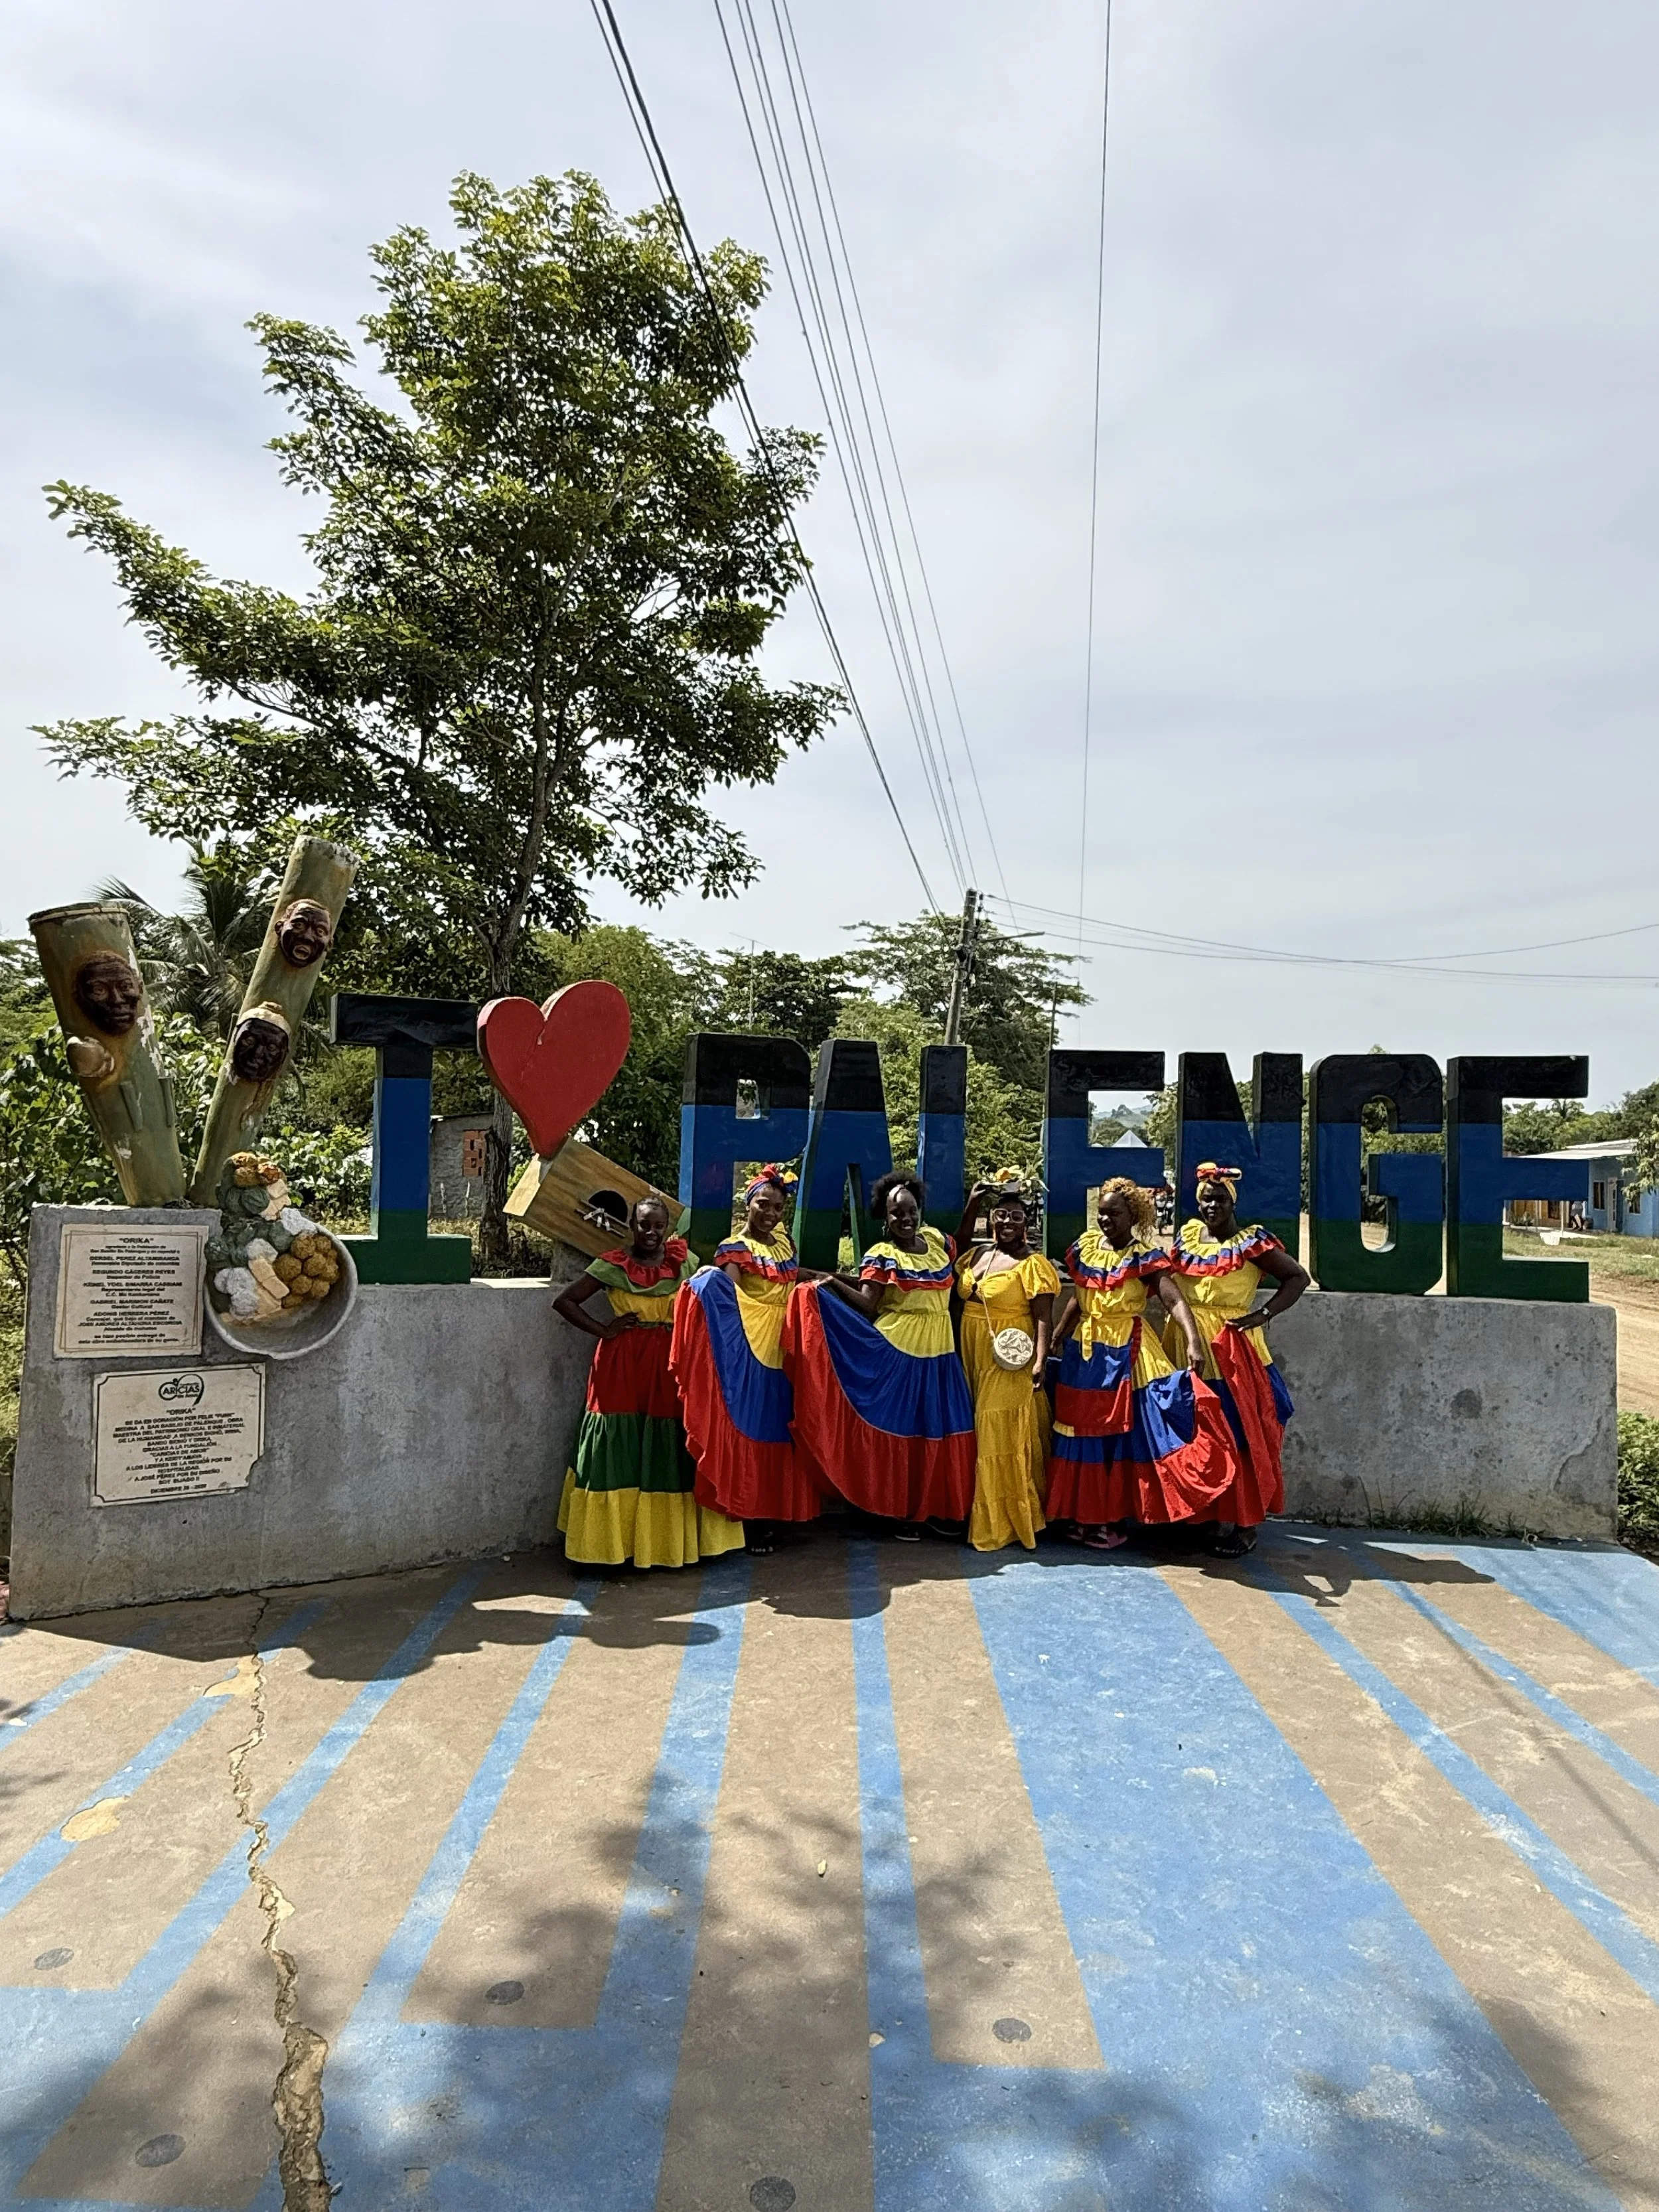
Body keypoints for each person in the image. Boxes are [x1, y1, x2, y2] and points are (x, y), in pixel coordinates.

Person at [552, 1196, 745, 1569]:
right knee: (616, 1444)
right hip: (621, 1365)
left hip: (671, 1363)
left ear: (667, 1227)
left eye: (658, 1226)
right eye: (644, 1225)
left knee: (669, 1442)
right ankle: (607, 1546)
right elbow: (566, 1301)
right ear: (631, 1225)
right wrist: (605, 1329)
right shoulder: (612, 1265)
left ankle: (665, 1544)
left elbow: (714, 1296)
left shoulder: (684, 1263)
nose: (651, 1233)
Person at [1046, 1178, 1238, 1548]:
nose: (1106, 1219)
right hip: (1085, 1352)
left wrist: (1194, 1341)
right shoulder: (1086, 1249)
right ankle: (1083, 1516)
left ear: (1131, 1215)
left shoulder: (1144, 1257)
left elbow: (1174, 1301)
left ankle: (1111, 1519)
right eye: (1102, 1212)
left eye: (1114, 1213)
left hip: (1128, 1351)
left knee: (1122, 1433)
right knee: (1081, 1431)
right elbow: (1081, 1295)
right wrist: (1060, 1330)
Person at [782, 1169, 975, 1534]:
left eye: (911, 1210)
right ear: (884, 1217)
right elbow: (869, 1305)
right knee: (902, 1432)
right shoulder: (881, 1255)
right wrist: (833, 1282)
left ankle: (933, 1509)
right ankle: (897, 1512)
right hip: (897, 1351)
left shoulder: (935, 1242)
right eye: (896, 1213)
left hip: (940, 1352)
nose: (905, 1218)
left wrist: (975, 1203)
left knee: (938, 1429)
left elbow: (961, 1245)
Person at [671, 1165, 826, 1552]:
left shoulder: (783, 1244)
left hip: (786, 1344)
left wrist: (830, 1279)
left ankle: (778, 1511)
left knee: (782, 1426)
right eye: (764, 1204)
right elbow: (732, 1300)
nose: (771, 1213)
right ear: (748, 1204)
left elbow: (789, 1279)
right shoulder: (734, 1248)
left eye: (777, 1207)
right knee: (753, 1426)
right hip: (753, 1346)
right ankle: (753, 1517)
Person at [1167, 1163, 1310, 1557]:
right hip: (1185, 1344)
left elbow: (1297, 1278)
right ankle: (1204, 1517)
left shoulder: (1251, 1244)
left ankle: (1245, 1524)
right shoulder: (1189, 1238)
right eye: (1206, 1199)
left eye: (1220, 1199)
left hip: (1230, 1352)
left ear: (1234, 1202)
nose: (1212, 1205)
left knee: (1239, 1433)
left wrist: (1260, 1316)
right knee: (1198, 1435)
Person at [953, 1173, 1059, 1552]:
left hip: (1012, 1357)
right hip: (971, 1352)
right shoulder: (978, 1254)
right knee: (975, 1430)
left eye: (1016, 1217)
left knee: (998, 1430)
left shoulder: (1033, 1264)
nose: (1007, 1223)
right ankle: (973, 1512)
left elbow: (1044, 1316)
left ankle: (1005, 1522)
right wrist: (973, 1203)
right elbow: (956, 1245)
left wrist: (1040, 1360)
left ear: (1027, 1224)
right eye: (1001, 1215)